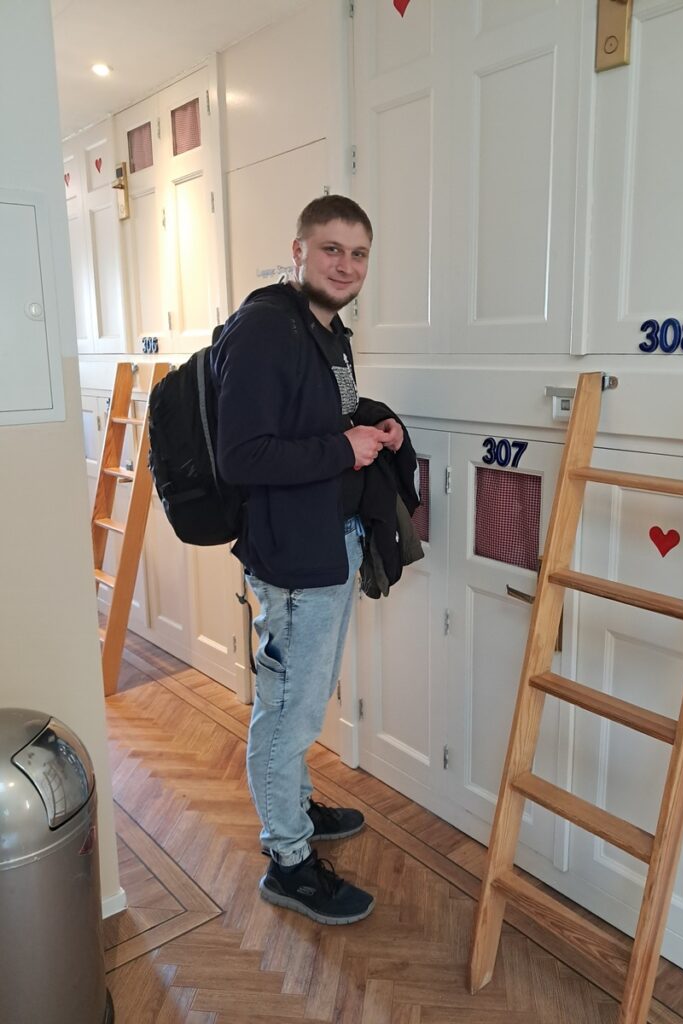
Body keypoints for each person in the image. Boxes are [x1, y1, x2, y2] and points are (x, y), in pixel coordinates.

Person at [211, 195, 405, 925]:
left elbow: (323, 415)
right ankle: (287, 862)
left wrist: (371, 422)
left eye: (359, 254)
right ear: (298, 251)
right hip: (293, 556)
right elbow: (241, 455)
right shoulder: (266, 328)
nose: (346, 266)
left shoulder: (328, 330)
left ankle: (294, 806)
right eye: (331, 249)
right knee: (288, 713)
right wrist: (340, 450)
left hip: (331, 543)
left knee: (302, 697)